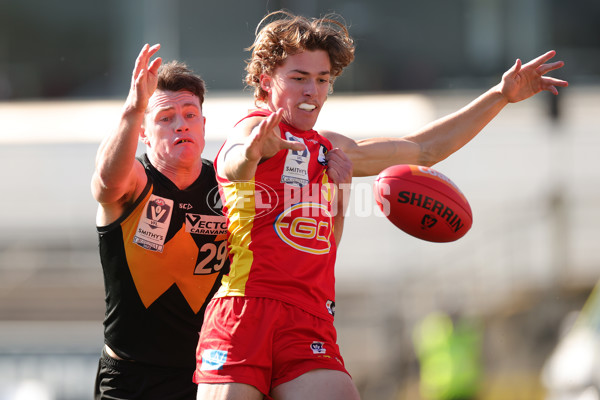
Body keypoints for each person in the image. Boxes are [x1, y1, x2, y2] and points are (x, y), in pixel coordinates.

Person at [194, 10, 568, 400]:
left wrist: (501, 95)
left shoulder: (330, 150)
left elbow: (423, 150)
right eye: (299, 78)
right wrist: (252, 153)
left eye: (323, 80)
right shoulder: (254, 130)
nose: (313, 92)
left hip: (309, 319)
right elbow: (237, 158)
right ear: (265, 81)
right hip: (245, 310)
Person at [91, 43, 229, 400]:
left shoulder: (228, 188)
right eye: (165, 118)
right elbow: (106, 183)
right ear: (143, 131)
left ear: (203, 123)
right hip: (132, 378)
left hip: (206, 375)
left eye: (189, 114)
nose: (180, 125)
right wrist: (135, 106)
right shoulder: (135, 181)